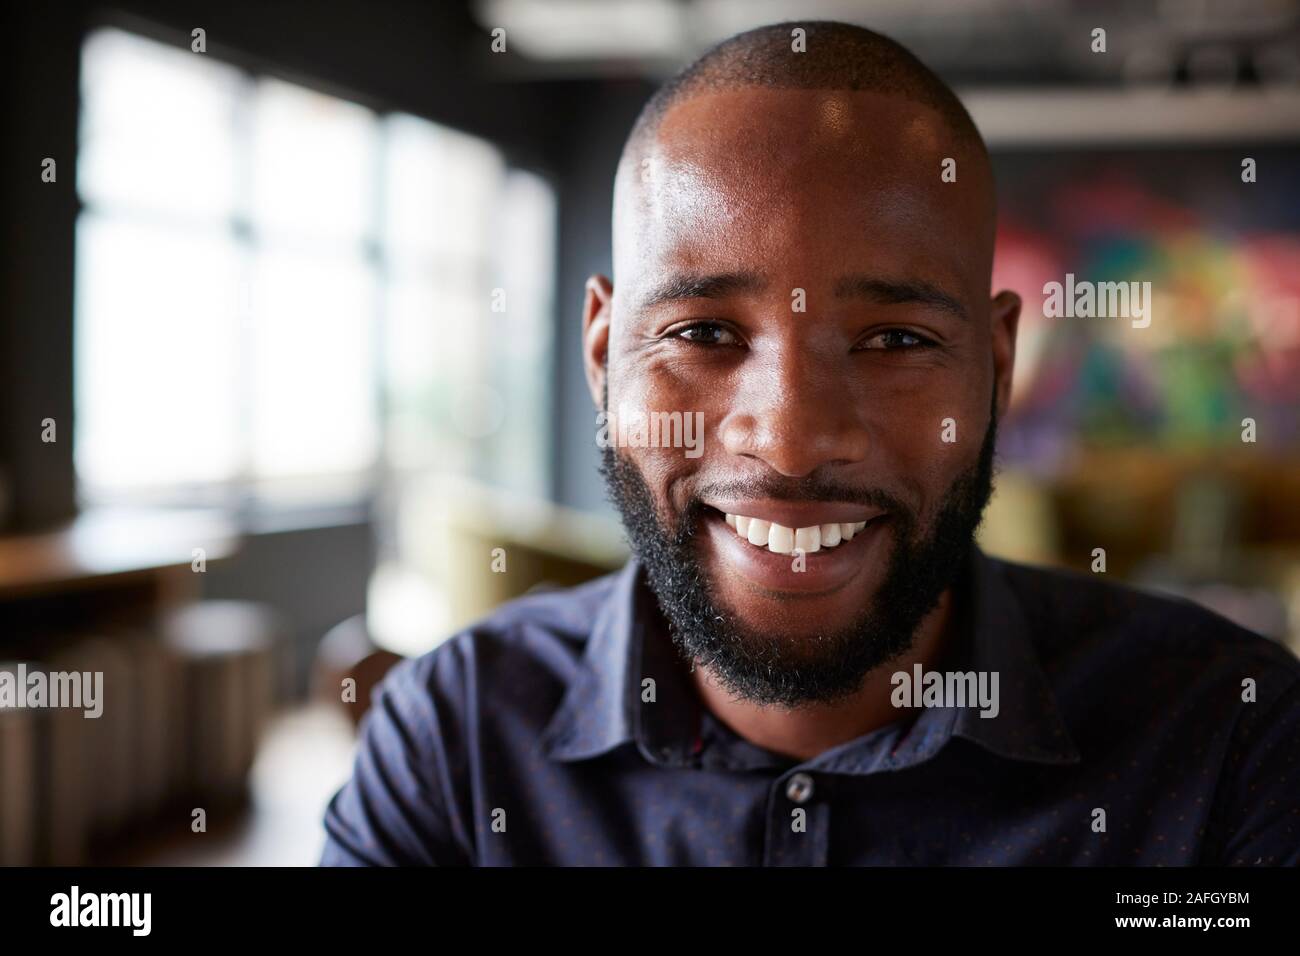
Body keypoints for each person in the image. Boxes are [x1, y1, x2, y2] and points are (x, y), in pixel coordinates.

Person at [321, 21, 1300, 866]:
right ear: (604, 355)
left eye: (895, 340)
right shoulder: (455, 740)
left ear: (995, 371)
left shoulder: (1230, 741)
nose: (789, 439)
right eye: (704, 331)